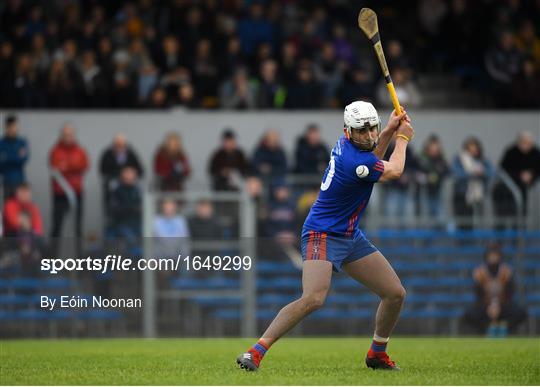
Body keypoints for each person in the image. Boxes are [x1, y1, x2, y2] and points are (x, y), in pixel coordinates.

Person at [237, 101, 414, 371]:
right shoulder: (354, 161)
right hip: (322, 234)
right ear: (347, 132)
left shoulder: (354, 150)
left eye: (372, 129)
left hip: (350, 235)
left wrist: (389, 129)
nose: (368, 136)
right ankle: (255, 351)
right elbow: (394, 170)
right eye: (361, 131)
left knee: (395, 293)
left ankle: (377, 354)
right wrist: (402, 138)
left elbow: (373, 157)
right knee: (313, 298)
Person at [463, 243, 527, 337]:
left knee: (521, 313)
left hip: (503, 304)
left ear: (499, 256)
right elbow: (478, 294)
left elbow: (510, 293)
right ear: (487, 256)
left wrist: (498, 305)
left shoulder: (506, 271)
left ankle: (504, 329)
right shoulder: (480, 272)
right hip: (485, 306)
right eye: (491, 255)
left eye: (495, 255)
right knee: (468, 315)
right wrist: (489, 306)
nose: (493, 257)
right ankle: (486, 329)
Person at [49, 123, 89, 239]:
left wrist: (67, 167)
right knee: (57, 226)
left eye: (70, 135)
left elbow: (84, 165)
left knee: (78, 227)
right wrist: (73, 167)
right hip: (60, 193)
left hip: (77, 192)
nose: (68, 137)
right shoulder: (55, 151)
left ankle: (78, 256)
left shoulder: (80, 151)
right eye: (65, 135)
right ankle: (53, 255)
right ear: (61, 136)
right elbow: (55, 168)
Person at [451, 136, 494, 225]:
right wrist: (472, 173)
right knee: (463, 222)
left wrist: (482, 172)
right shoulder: (459, 159)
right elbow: (456, 173)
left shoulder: (483, 160)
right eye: (470, 149)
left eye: (475, 149)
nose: (473, 151)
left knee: (478, 221)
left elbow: (492, 171)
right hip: (462, 194)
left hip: (478, 195)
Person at [99, 133, 144, 204]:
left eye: (122, 145)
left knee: (140, 188)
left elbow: (140, 170)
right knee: (112, 186)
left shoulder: (131, 154)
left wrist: (131, 174)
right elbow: (103, 170)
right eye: (117, 145)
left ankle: (136, 208)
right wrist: (121, 175)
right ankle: (113, 209)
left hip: (131, 180)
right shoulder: (108, 154)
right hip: (115, 179)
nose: (120, 148)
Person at [0, 115, 29, 198]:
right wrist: (16, 156)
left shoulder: (22, 142)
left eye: (16, 126)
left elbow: (24, 159)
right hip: (7, 181)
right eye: (13, 126)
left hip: (20, 180)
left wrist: (7, 157)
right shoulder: (1, 143)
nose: (15, 128)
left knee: (21, 207)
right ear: (7, 127)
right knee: (8, 207)